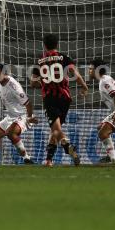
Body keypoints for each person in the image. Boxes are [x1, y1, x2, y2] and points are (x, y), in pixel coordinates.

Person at [31, 34, 88, 167]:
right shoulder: (65, 57)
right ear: (57, 44)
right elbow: (76, 74)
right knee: (56, 129)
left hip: (50, 98)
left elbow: (33, 83)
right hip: (65, 98)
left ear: (44, 45)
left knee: (56, 130)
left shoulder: (40, 61)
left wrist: (44, 83)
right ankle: (49, 160)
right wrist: (84, 86)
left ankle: (68, 147)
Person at [0, 63, 37, 165]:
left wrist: (29, 118)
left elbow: (28, 103)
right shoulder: (0, 82)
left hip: (22, 116)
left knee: (11, 133)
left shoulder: (13, 86)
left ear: (4, 73)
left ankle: (26, 158)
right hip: (11, 116)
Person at [89, 59, 115, 164]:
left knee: (102, 133)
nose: (89, 71)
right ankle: (111, 156)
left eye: (91, 69)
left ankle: (114, 160)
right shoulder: (106, 79)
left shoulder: (104, 81)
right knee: (100, 128)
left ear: (97, 70)